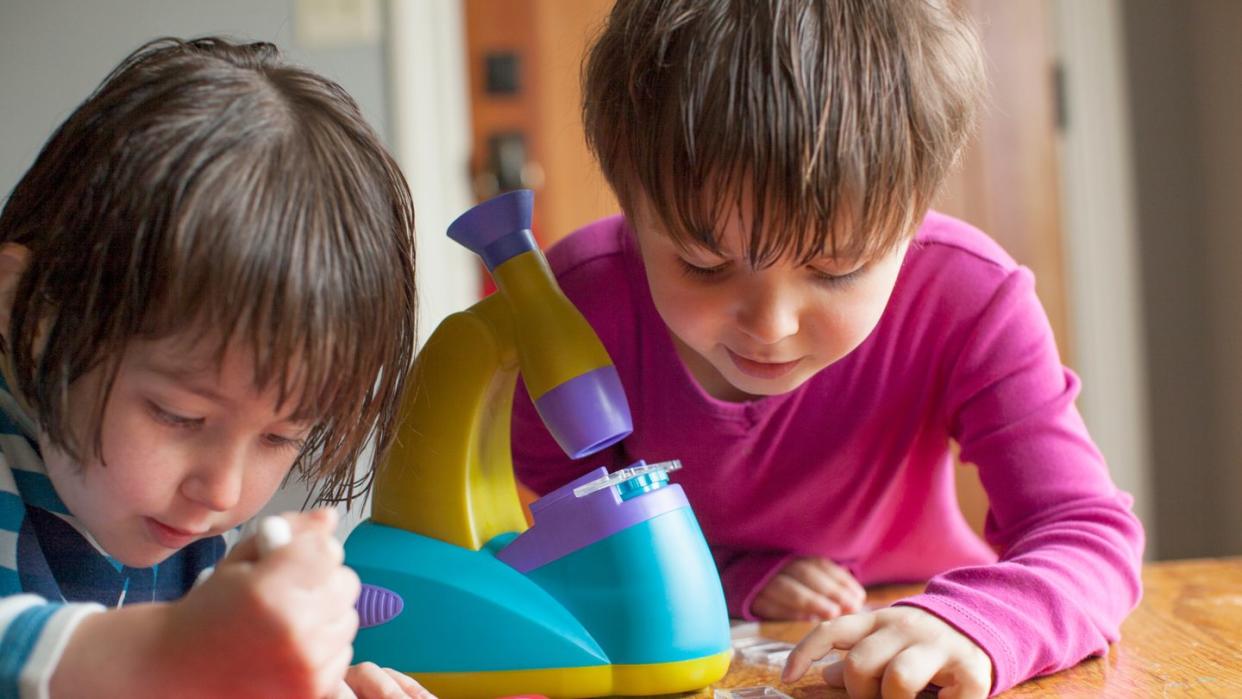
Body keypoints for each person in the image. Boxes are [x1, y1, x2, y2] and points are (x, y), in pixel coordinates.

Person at [510, 1, 1144, 696]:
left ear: (912, 219)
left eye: (836, 269)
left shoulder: (970, 297)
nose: (771, 324)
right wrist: (740, 574)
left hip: (929, 628)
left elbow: (1087, 532)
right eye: (703, 263)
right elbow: (576, 554)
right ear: (630, 204)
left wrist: (978, 623)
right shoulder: (572, 313)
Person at [0, 37, 432, 698]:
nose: (223, 493)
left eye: (279, 436)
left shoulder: (187, 537)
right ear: (27, 319)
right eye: (179, 415)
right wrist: (167, 654)